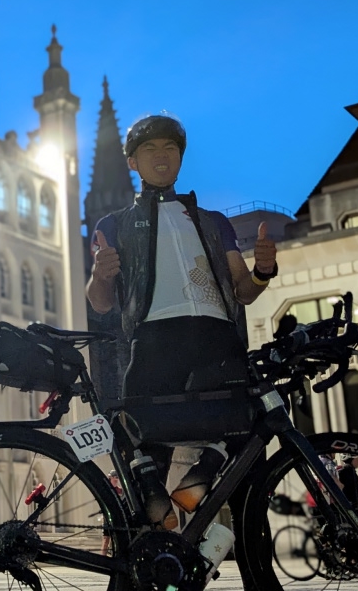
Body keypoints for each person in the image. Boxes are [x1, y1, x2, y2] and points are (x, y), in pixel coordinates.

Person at [86, 113, 277, 591]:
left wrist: (262, 272)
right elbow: (100, 303)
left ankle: (201, 487)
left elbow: (242, 290)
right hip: (154, 340)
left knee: (250, 432)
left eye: (169, 148)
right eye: (150, 149)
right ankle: (146, 559)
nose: (161, 156)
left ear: (180, 157)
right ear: (133, 162)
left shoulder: (212, 222)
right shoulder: (114, 224)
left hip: (216, 337)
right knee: (144, 449)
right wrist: (101, 276)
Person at [101, 470, 126, 555]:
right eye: (114, 477)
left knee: (117, 539)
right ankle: (103, 557)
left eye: (117, 478)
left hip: (118, 517)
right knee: (106, 538)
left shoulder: (120, 491)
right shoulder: (106, 490)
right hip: (108, 517)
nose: (116, 480)